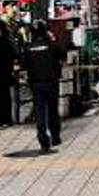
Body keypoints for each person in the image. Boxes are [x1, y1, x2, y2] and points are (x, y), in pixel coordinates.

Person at [21, 21, 64, 153]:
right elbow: (62, 54)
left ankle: (43, 140)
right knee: (52, 110)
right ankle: (55, 137)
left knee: (40, 111)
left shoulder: (28, 47)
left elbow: (23, 64)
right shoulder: (52, 45)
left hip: (35, 83)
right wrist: (53, 39)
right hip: (51, 81)